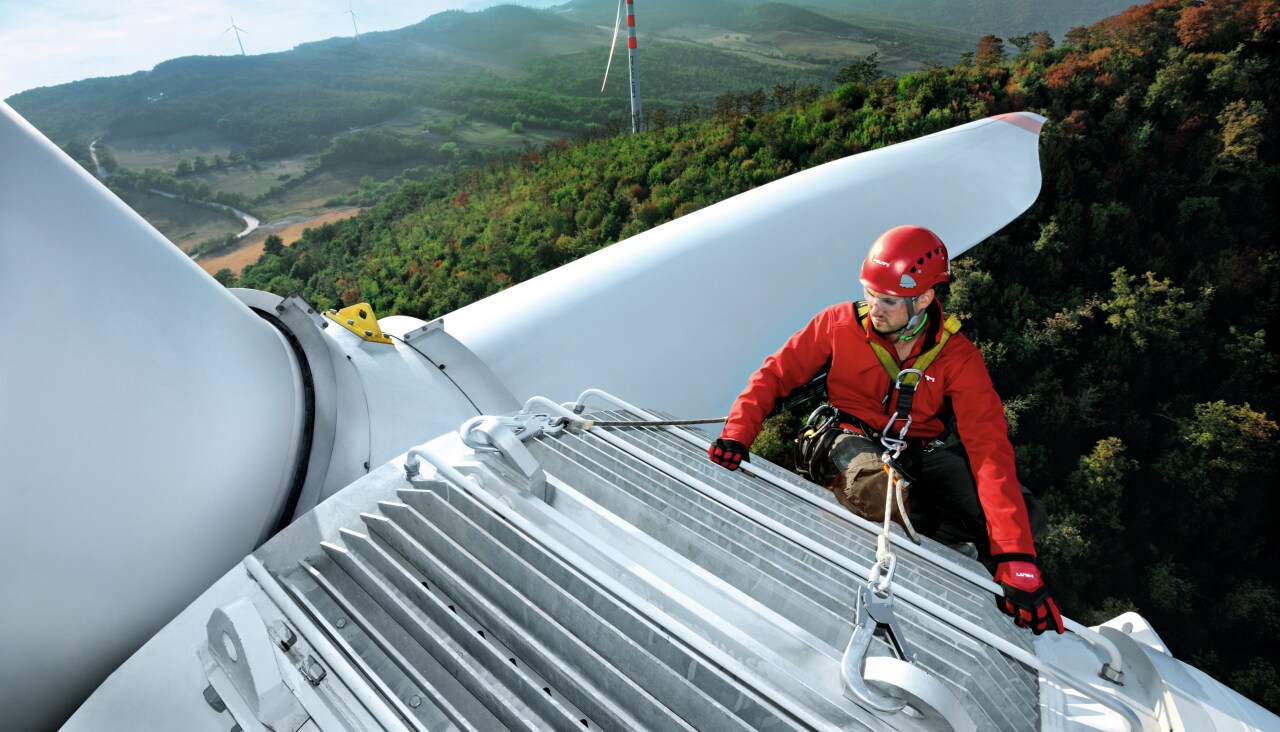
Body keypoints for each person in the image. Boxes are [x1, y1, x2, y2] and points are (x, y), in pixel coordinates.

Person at [708, 224, 1064, 635]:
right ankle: (925, 537)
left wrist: (1016, 558)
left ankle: (967, 557)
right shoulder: (838, 324)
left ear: (925, 298)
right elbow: (775, 375)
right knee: (879, 491)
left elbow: (989, 450)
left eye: (889, 300)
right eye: (869, 294)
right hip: (845, 436)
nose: (874, 308)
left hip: (918, 451)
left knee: (1027, 514)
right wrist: (738, 433)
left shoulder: (958, 359)